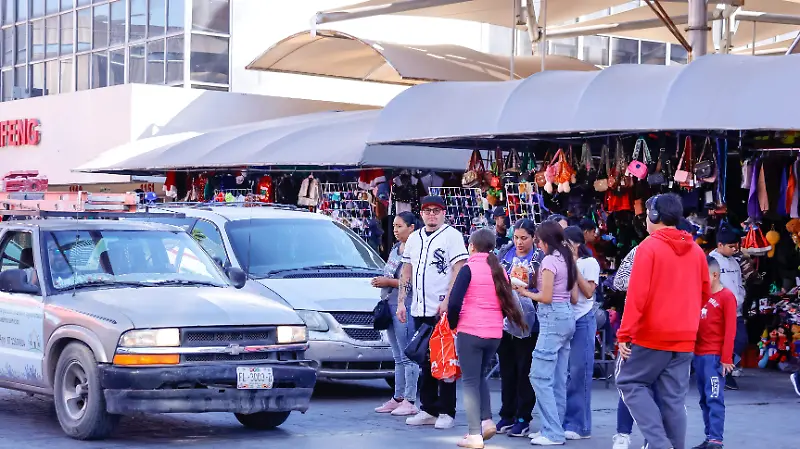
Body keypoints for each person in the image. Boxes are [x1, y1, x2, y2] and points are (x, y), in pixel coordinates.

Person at [616, 193, 710, 449]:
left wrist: (624, 333)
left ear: (655, 216)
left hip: (652, 335)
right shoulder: (696, 251)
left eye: (647, 213)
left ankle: (659, 444)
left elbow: (637, 296)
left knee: (630, 382)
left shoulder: (649, 247)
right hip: (684, 337)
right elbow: (705, 292)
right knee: (673, 400)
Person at [447, 228, 527, 449]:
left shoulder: (469, 268)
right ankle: (487, 421)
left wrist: (454, 324)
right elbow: (506, 301)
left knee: (470, 381)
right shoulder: (500, 269)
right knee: (479, 376)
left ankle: (474, 434)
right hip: (494, 334)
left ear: (471, 246)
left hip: (470, 330)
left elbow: (454, 303)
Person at [398, 196, 469, 429]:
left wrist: (449, 301)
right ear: (421, 213)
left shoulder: (452, 236)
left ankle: (447, 411)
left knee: (445, 359)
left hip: (442, 309)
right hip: (419, 307)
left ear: (443, 213)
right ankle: (428, 408)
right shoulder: (415, 238)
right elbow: (406, 270)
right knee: (424, 360)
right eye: (427, 210)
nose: (431, 215)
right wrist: (401, 302)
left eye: (436, 211)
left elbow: (459, 270)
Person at [514, 221, 577, 446]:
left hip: (552, 318)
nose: (537, 244)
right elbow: (574, 296)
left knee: (539, 376)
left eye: (538, 240)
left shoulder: (550, 260)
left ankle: (552, 432)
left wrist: (524, 292)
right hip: (567, 316)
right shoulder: (568, 257)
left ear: (544, 240)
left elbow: (546, 297)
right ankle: (554, 427)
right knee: (558, 377)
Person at [495, 219, 542, 437]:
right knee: (507, 369)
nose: (519, 242)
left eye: (524, 238)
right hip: (504, 320)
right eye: (516, 237)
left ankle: (523, 417)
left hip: (528, 322)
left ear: (534, 238)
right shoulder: (505, 255)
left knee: (524, 370)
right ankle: (507, 414)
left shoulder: (539, 258)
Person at [372, 212, 420, 416]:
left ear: (411, 228)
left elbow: (414, 281)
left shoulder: (416, 250)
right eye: (394, 226)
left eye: (400, 226)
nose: (395, 230)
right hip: (389, 303)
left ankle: (410, 398)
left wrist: (388, 282)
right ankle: (398, 396)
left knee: (408, 354)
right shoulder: (394, 249)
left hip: (405, 305)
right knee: (397, 355)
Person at [690, 256, 737, 449]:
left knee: (714, 398)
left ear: (715, 275)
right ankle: (709, 437)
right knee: (703, 399)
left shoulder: (727, 297)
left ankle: (716, 440)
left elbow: (730, 330)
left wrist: (726, 358)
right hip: (698, 356)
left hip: (714, 356)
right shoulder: (700, 296)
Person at [562, 226, 600, 440]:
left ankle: (579, 424)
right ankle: (566, 419)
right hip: (566, 317)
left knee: (579, 371)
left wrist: (573, 264)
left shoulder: (589, 263)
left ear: (575, 244)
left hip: (583, 318)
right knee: (566, 372)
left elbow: (588, 291)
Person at [708, 226, 746, 391]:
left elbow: (739, 284)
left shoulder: (735, 262)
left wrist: (741, 297)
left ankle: (724, 368)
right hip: (719, 311)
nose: (733, 249)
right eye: (730, 247)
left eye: (735, 247)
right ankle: (722, 372)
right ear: (720, 245)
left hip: (736, 311)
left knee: (741, 340)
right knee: (722, 342)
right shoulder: (710, 261)